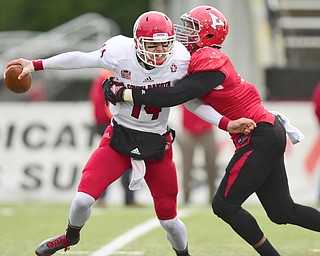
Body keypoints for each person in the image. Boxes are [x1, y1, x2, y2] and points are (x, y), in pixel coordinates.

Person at [6, 11, 255, 256]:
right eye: (153, 46)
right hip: (119, 137)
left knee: (169, 220)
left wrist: (224, 123)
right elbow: (81, 58)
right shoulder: (119, 51)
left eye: (164, 45)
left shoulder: (179, 59)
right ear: (137, 43)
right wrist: (37, 65)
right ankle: (70, 236)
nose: (160, 52)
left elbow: (190, 100)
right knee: (82, 200)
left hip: (157, 144)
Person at [105, 6, 320, 256]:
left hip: (260, 134)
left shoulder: (209, 58)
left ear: (209, 35)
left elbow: (177, 94)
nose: (185, 33)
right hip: (265, 132)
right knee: (282, 211)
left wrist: (125, 93)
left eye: (192, 28)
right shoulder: (200, 59)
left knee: (224, 205)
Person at [89, 69, 137, 207]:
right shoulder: (111, 76)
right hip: (114, 124)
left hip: (106, 124)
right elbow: (109, 106)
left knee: (109, 161)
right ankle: (128, 197)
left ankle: (103, 197)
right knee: (124, 160)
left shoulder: (102, 77)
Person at [177, 105, 217, 204]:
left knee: (211, 163)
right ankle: (186, 196)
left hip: (207, 129)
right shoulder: (184, 90)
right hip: (188, 130)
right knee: (187, 165)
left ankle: (213, 195)